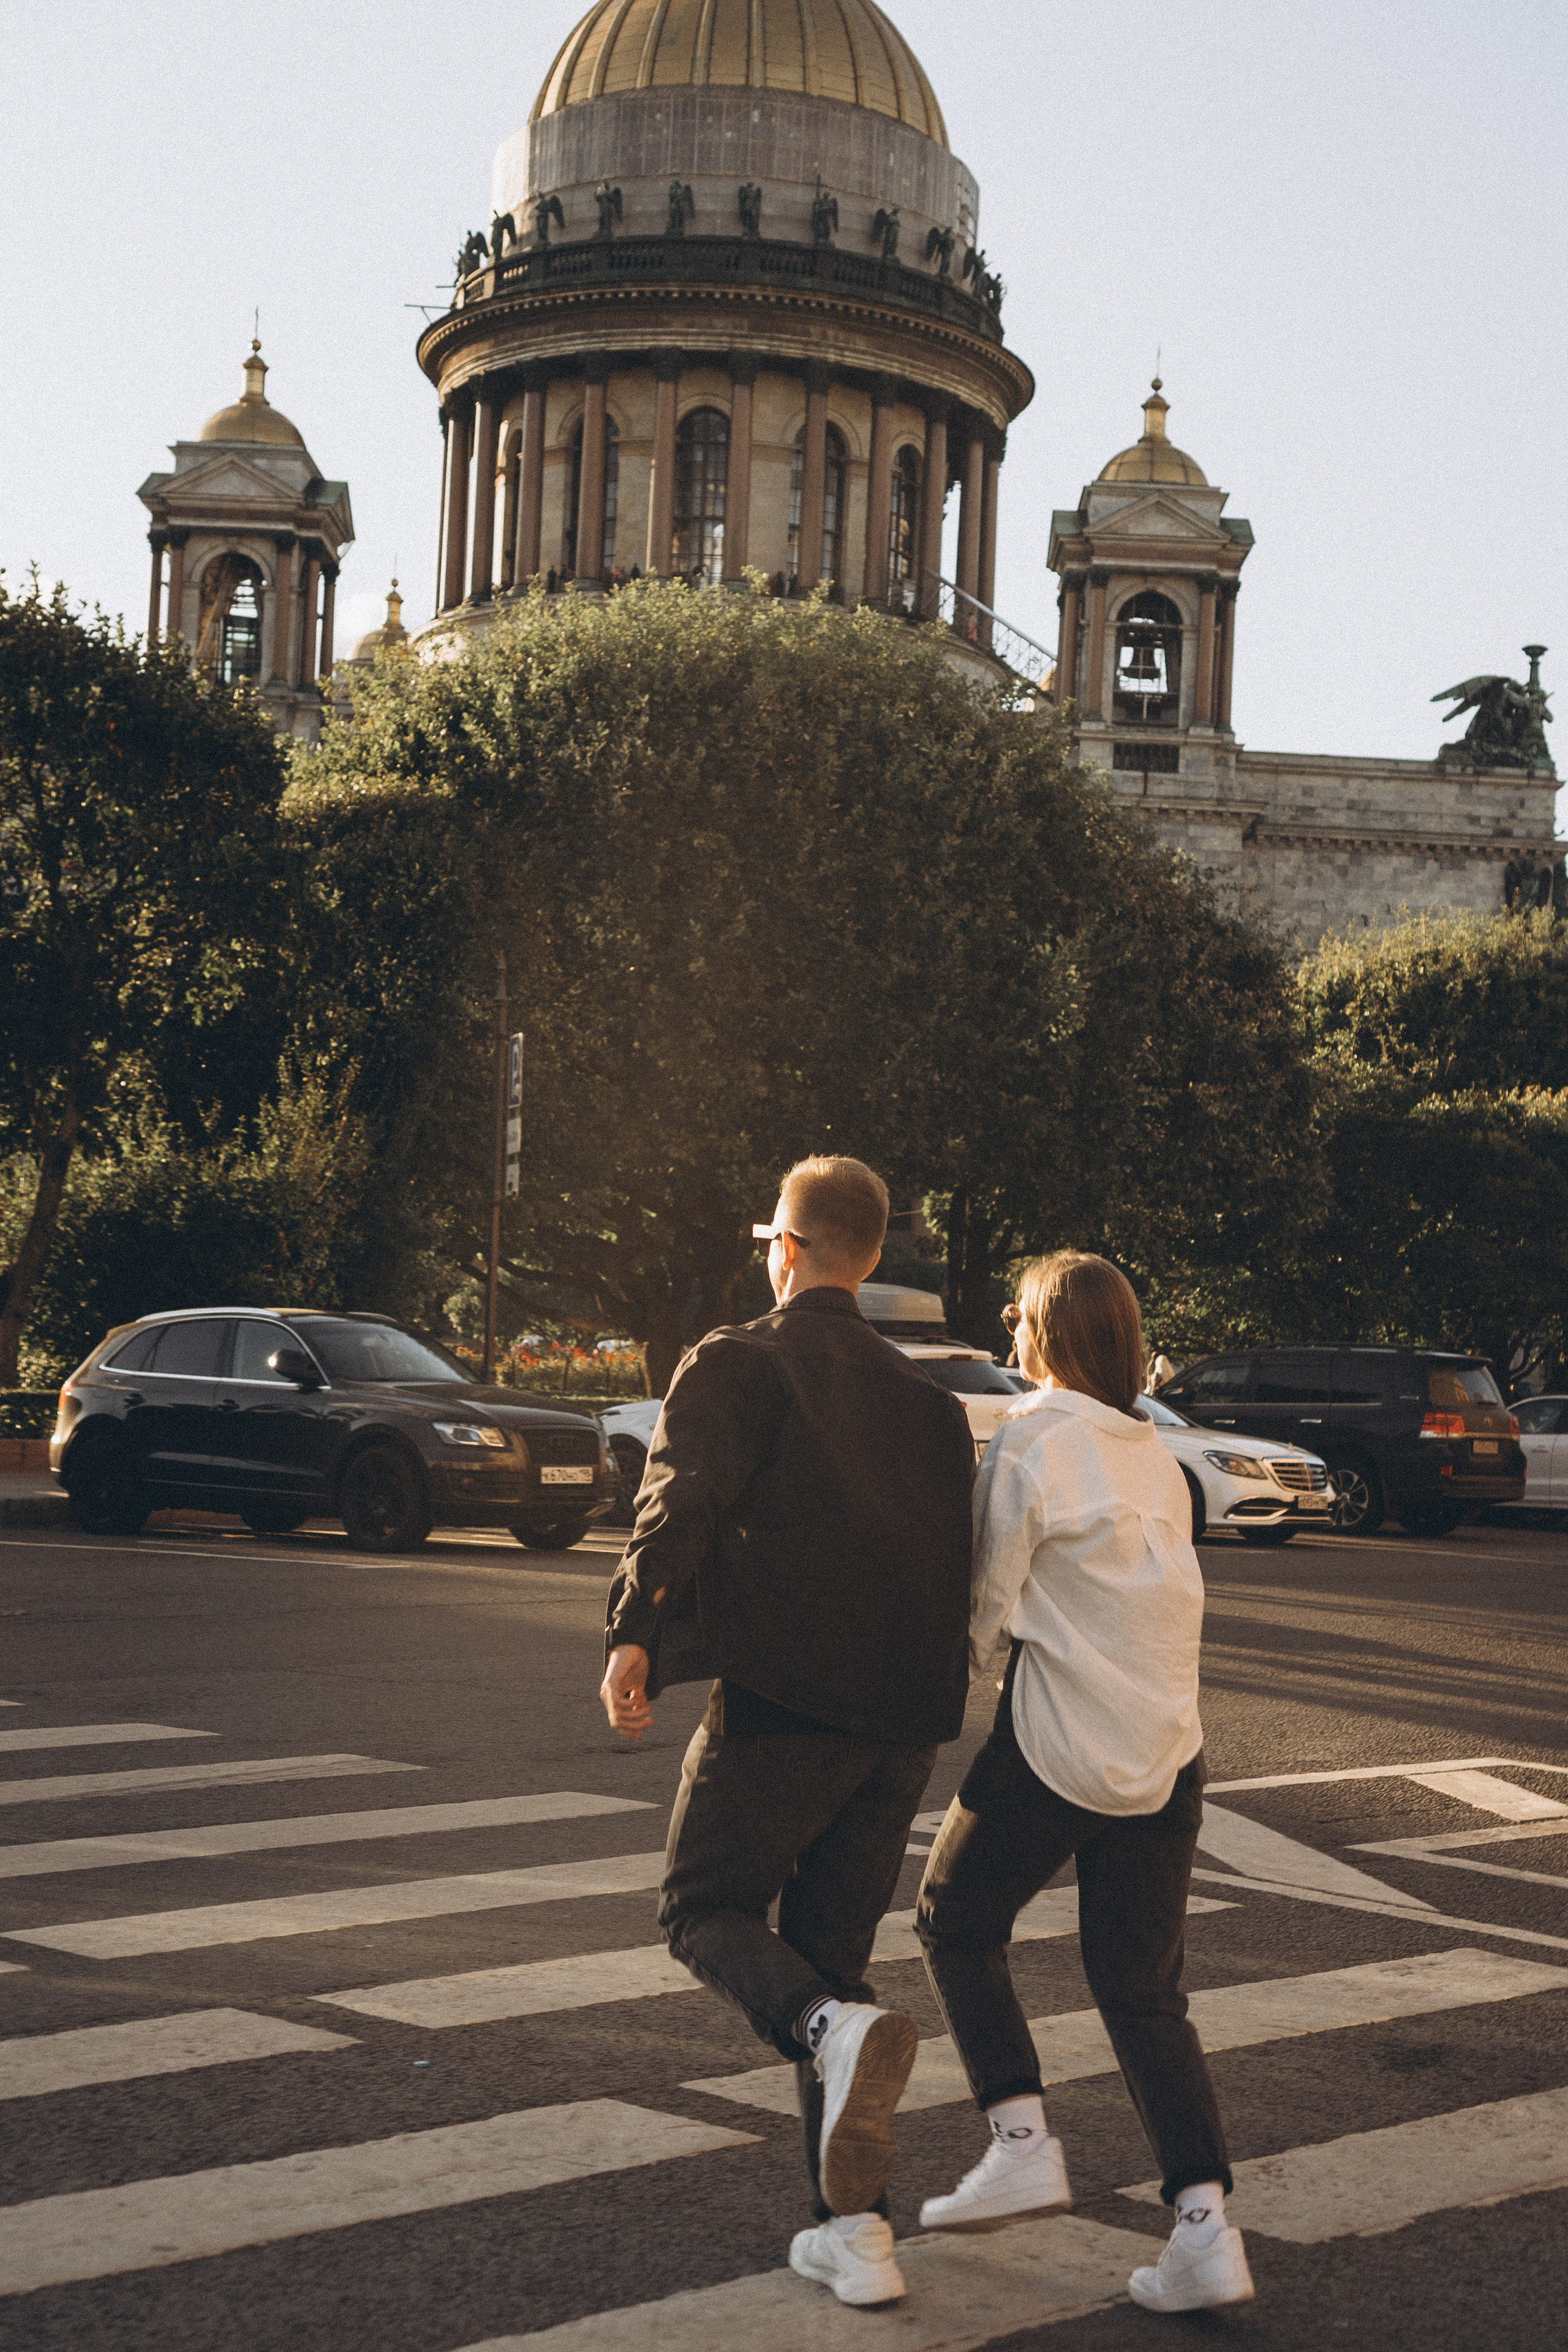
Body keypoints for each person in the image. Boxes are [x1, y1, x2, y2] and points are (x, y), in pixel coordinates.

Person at [600, 1156, 975, 2309]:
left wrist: (634, 1633)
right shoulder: (931, 1406)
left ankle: (825, 2034)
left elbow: (680, 1498)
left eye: (771, 1234)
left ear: (792, 1247)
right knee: (837, 1966)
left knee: (701, 1910)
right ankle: (854, 2233)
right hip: (903, 1725)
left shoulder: (740, 1359)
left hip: (786, 1702)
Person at [914, 1250, 1254, 2316]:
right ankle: (1206, 2230)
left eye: (1018, 1318)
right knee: (1142, 1989)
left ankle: (1021, 2143)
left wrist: (929, 1694)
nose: (1010, 1334)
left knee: (953, 1919)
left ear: (1050, 1335)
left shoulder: (1033, 1438)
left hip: (1061, 1740)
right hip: (1169, 1750)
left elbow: (985, 1594)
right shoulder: (1152, 1450)